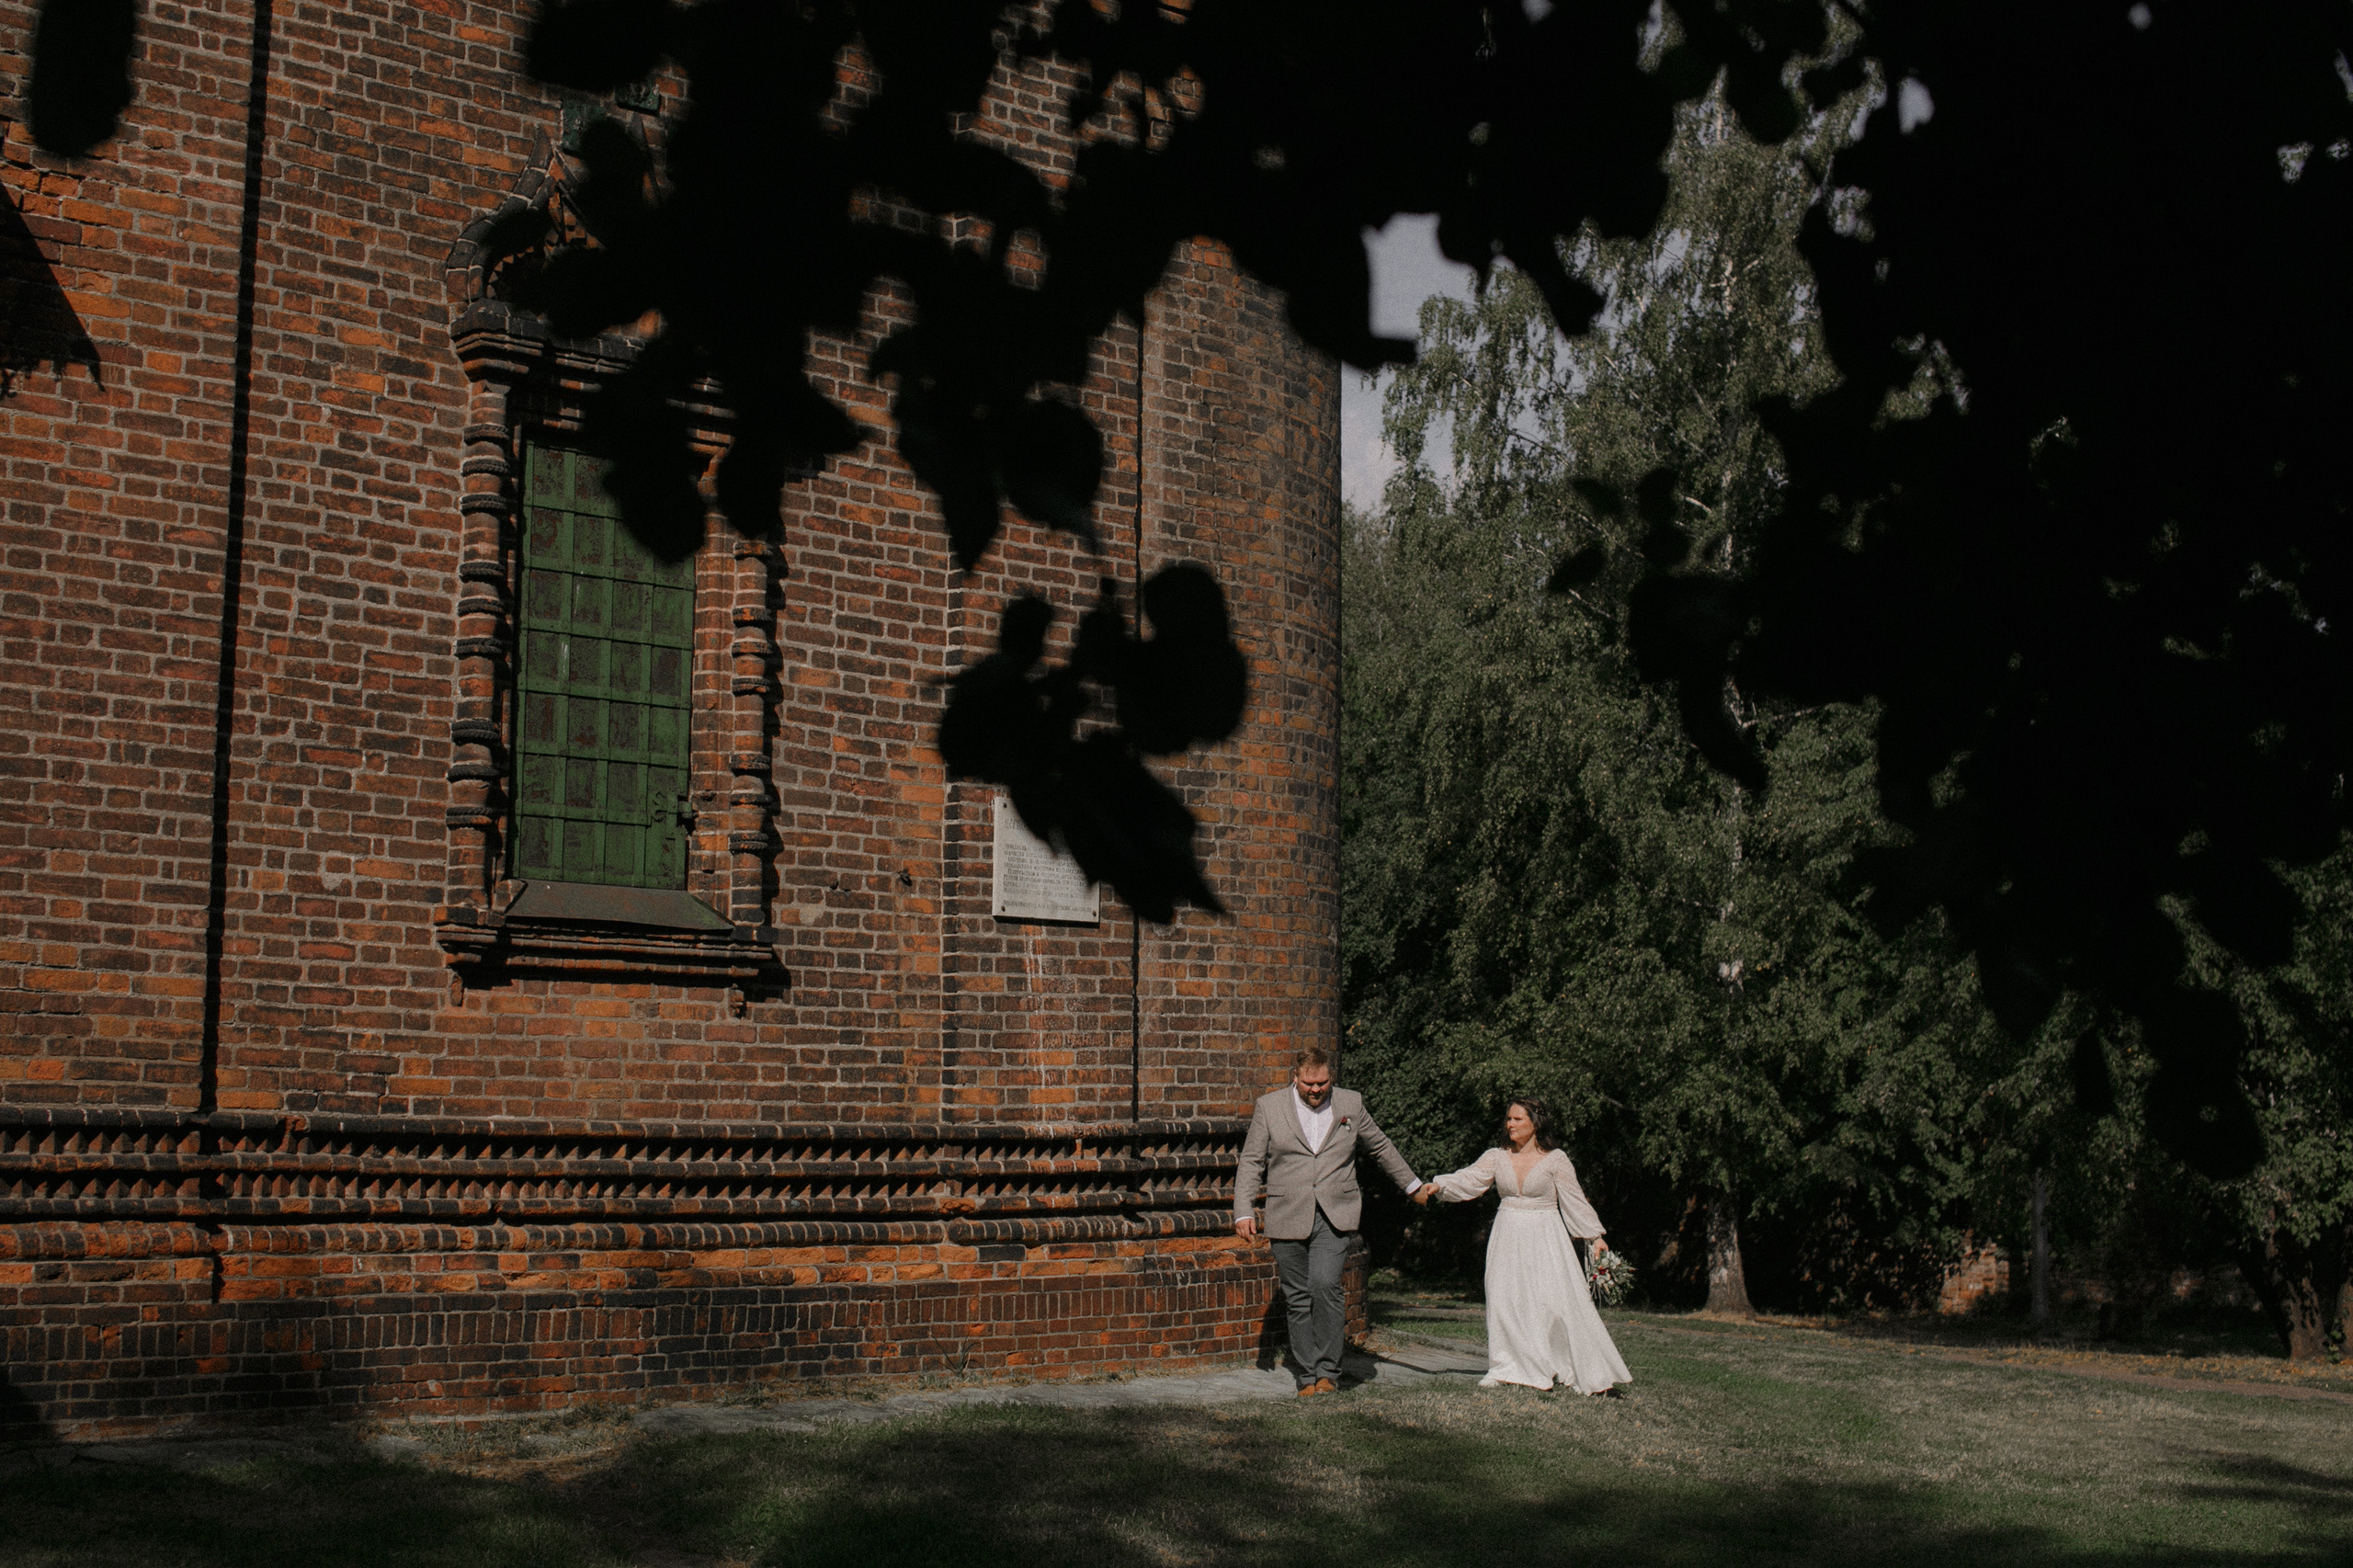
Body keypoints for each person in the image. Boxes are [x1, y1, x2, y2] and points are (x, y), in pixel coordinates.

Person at [1234, 1046, 1424, 1397]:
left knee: (1325, 1284)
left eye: (1322, 1082)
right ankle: (1307, 1376)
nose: (1316, 1090)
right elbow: (1251, 1161)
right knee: (1297, 1296)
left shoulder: (1350, 1104)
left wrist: (1413, 1186)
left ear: (1330, 1077)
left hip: (1336, 1213)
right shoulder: (1270, 1106)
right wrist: (1244, 1210)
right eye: (1309, 1083)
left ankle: (1328, 1373)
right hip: (1286, 1212)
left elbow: (1380, 1146)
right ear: (1296, 1077)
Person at [1415, 1097, 1632, 1395]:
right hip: (1507, 1233)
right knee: (1503, 1296)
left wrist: (1595, 1237)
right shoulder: (1497, 1156)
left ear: (1536, 1123)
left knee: (1553, 1303)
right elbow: (1471, 1178)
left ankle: (1557, 1363)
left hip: (1546, 1235)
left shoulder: (1556, 1160)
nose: (1510, 1124)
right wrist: (1440, 1185)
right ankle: (1504, 1366)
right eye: (1509, 1119)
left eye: (1518, 1119)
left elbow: (1574, 1201)